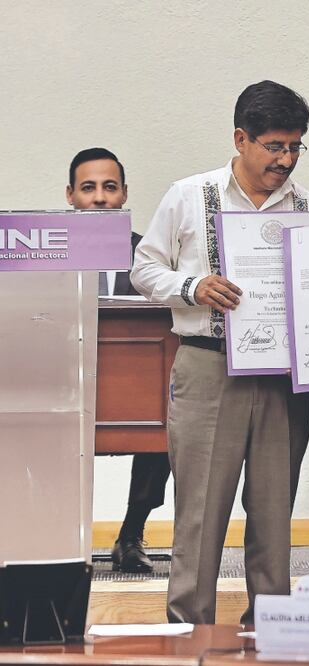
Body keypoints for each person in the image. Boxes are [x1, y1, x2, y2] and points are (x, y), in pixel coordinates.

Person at [131, 81, 309, 624]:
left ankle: (270, 625)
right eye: (274, 147)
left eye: (295, 147)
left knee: (273, 508)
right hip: (207, 363)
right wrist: (193, 287)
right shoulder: (189, 194)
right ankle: (190, 626)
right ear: (241, 138)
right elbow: (142, 269)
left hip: (285, 373)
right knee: (199, 510)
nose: (286, 160)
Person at [68, 147, 170, 574]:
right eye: (88, 188)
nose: (99, 198)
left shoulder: (147, 253)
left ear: (124, 194)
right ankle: (62, 539)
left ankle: (131, 535)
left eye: (110, 187)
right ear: (70, 195)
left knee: (167, 414)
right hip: (68, 379)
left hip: (133, 379)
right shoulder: (45, 251)